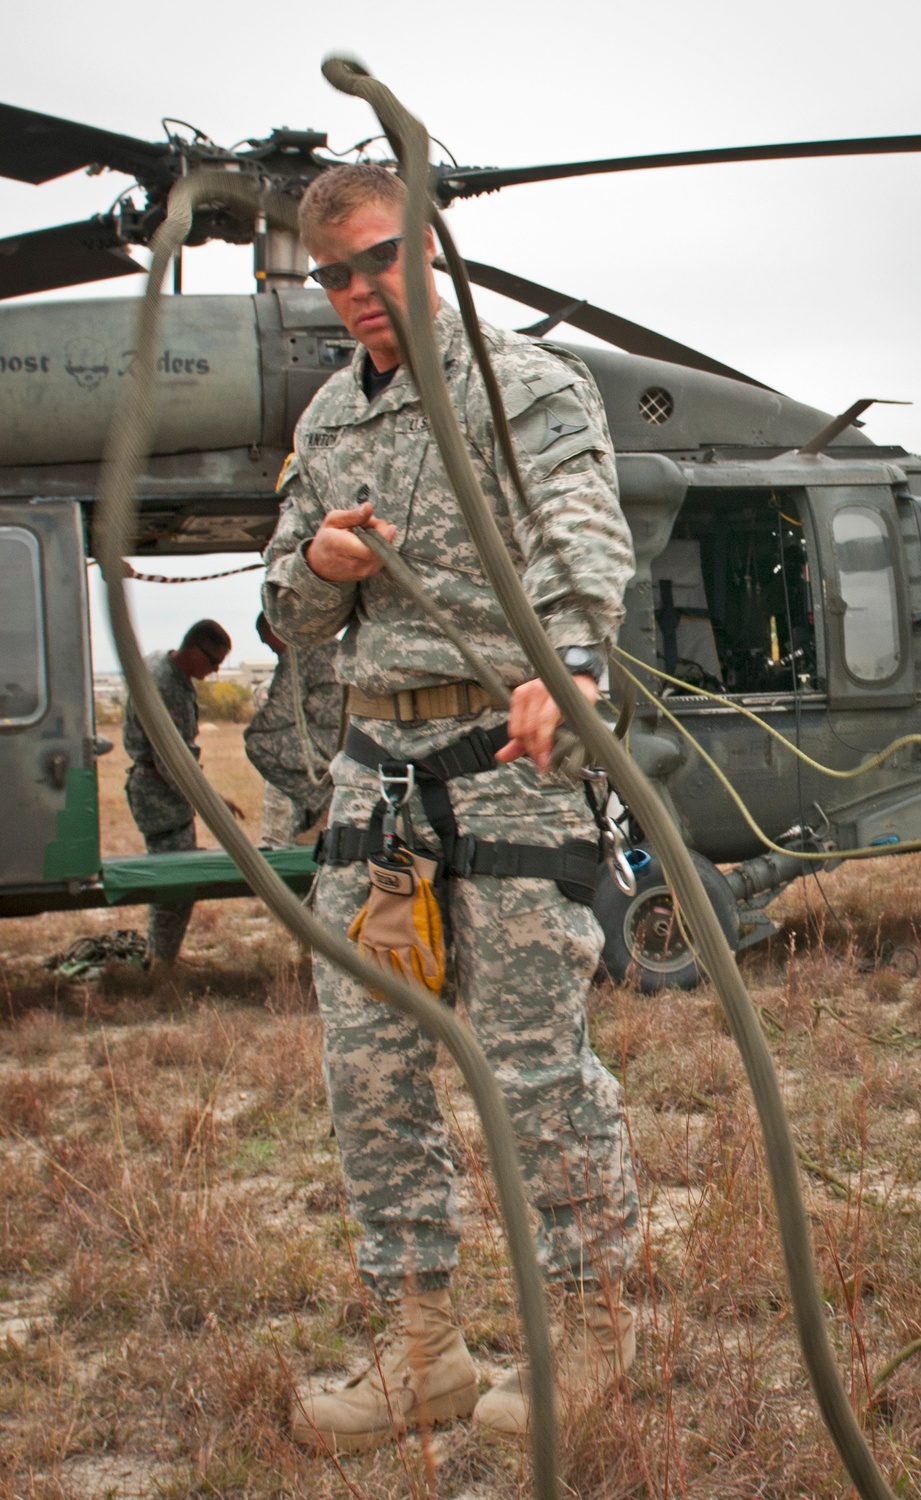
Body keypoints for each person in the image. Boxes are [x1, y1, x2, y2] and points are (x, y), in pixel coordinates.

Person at [263, 163, 638, 1451]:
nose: (361, 292)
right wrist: (318, 560)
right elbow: (289, 613)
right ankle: (417, 1348)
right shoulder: (326, 424)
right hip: (378, 777)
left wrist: (571, 666)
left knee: (534, 1071)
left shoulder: (524, 386)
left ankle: (588, 1331)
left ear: (429, 243)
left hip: (513, 763)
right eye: (334, 276)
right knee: (369, 1071)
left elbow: (581, 534)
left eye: (379, 260)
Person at [123, 619, 243, 963]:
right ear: (193, 650)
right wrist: (212, 802)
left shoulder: (163, 665)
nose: (216, 671)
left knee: (171, 879)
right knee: (176, 884)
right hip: (159, 796)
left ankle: (158, 954)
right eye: (214, 662)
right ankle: (162, 961)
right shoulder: (166, 686)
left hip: (158, 792)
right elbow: (171, 763)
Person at [243, 613, 341, 847]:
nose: (273, 651)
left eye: (269, 643)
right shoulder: (329, 643)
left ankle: (325, 805)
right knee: (302, 829)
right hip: (349, 741)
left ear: (279, 630)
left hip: (330, 743)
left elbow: (280, 712)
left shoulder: (299, 652)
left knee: (258, 744)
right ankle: (319, 814)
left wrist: (249, 733)